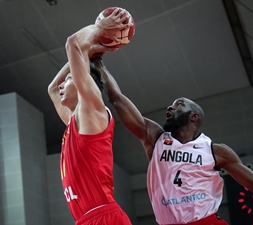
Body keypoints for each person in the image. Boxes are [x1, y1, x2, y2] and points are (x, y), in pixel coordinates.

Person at [91, 57, 253, 225]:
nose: (170, 108)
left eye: (179, 105)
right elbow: (117, 98)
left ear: (194, 116)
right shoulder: (154, 138)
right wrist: (98, 63)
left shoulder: (216, 152)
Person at [47, 8, 133, 225]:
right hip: (86, 220)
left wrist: (99, 29)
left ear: (84, 82)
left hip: (104, 216)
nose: (62, 85)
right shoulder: (75, 124)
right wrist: (90, 52)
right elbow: (52, 89)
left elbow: (73, 42)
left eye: (69, 79)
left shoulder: (92, 108)